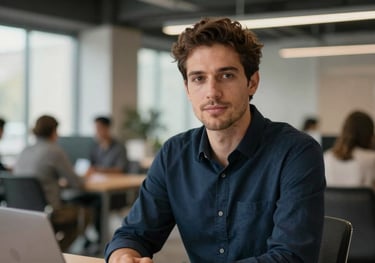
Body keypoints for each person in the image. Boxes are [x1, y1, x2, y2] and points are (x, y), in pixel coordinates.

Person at [105, 17, 326, 263]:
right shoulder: (174, 154)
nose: (212, 92)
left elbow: (292, 257)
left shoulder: (296, 153)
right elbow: (134, 233)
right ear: (187, 89)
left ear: (252, 82)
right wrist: (123, 256)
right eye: (199, 78)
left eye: (226, 75)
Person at [13, 115, 88, 251]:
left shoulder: (25, 150)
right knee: (85, 211)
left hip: (21, 211)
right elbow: (77, 183)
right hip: (48, 211)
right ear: (54, 131)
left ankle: (44, 251)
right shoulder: (54, 151)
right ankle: (54, 252)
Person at [324, 110, 375, 188]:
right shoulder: (371, 158)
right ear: (369, 134)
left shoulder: (326, 157)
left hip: (333, 200)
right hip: (362, 200)